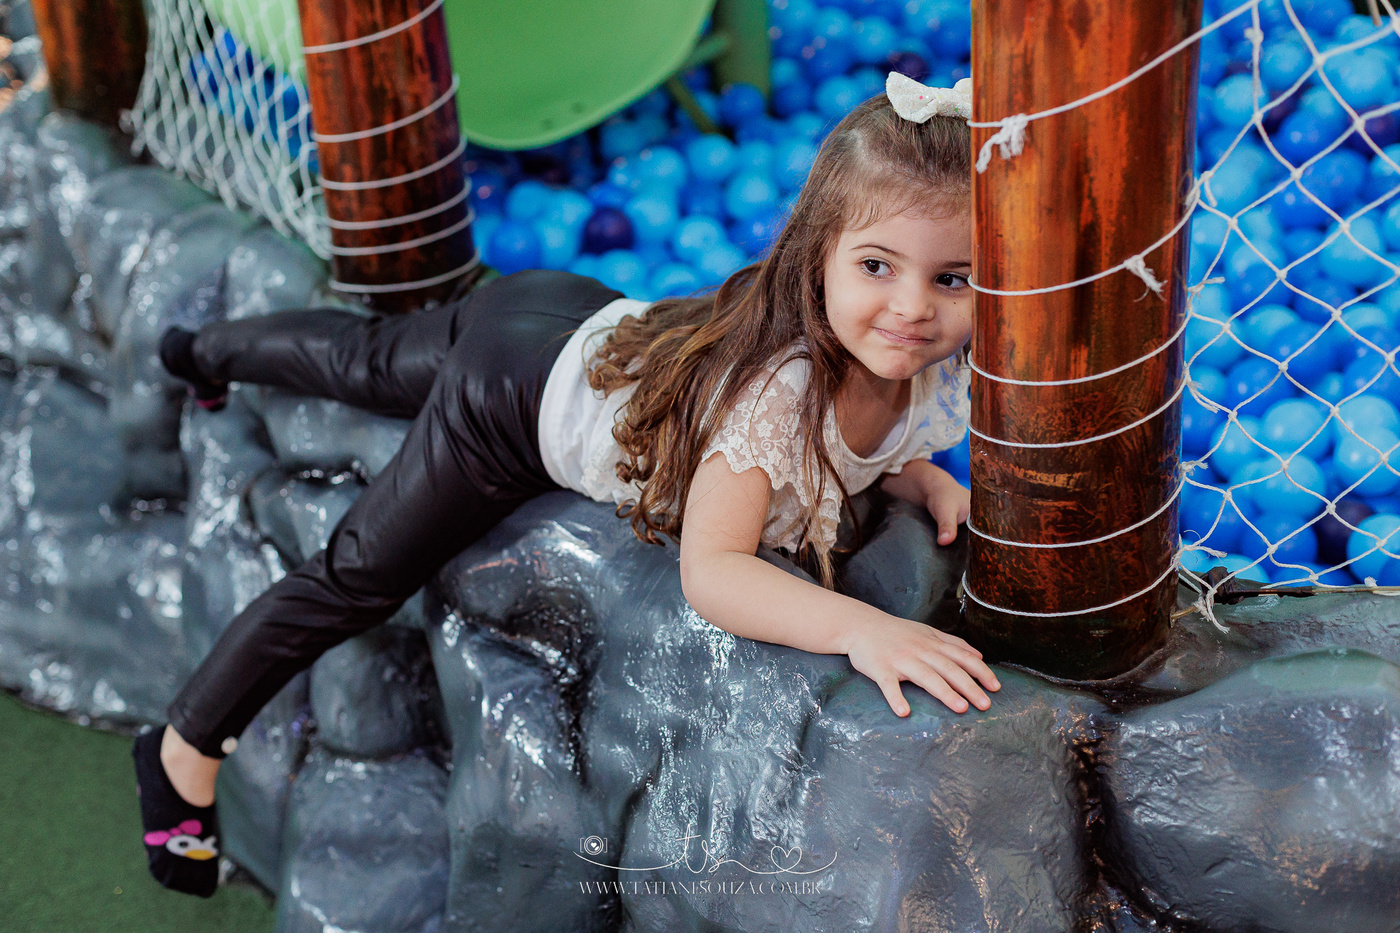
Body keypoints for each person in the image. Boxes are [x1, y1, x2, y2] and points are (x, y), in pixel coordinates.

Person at [134, 78, 1001, 898]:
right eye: (878, 266)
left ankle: (201, 352)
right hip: (513, 403)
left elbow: (861, 444)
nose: (913, 308)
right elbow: (715, 570)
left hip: (572, 312)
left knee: (370, 360)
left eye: (950, 278)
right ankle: (183, 745)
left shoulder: (921, 368)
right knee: (357, 572)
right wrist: (861, 627)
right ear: (817, 259)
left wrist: (921, 477)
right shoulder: (780, 393)